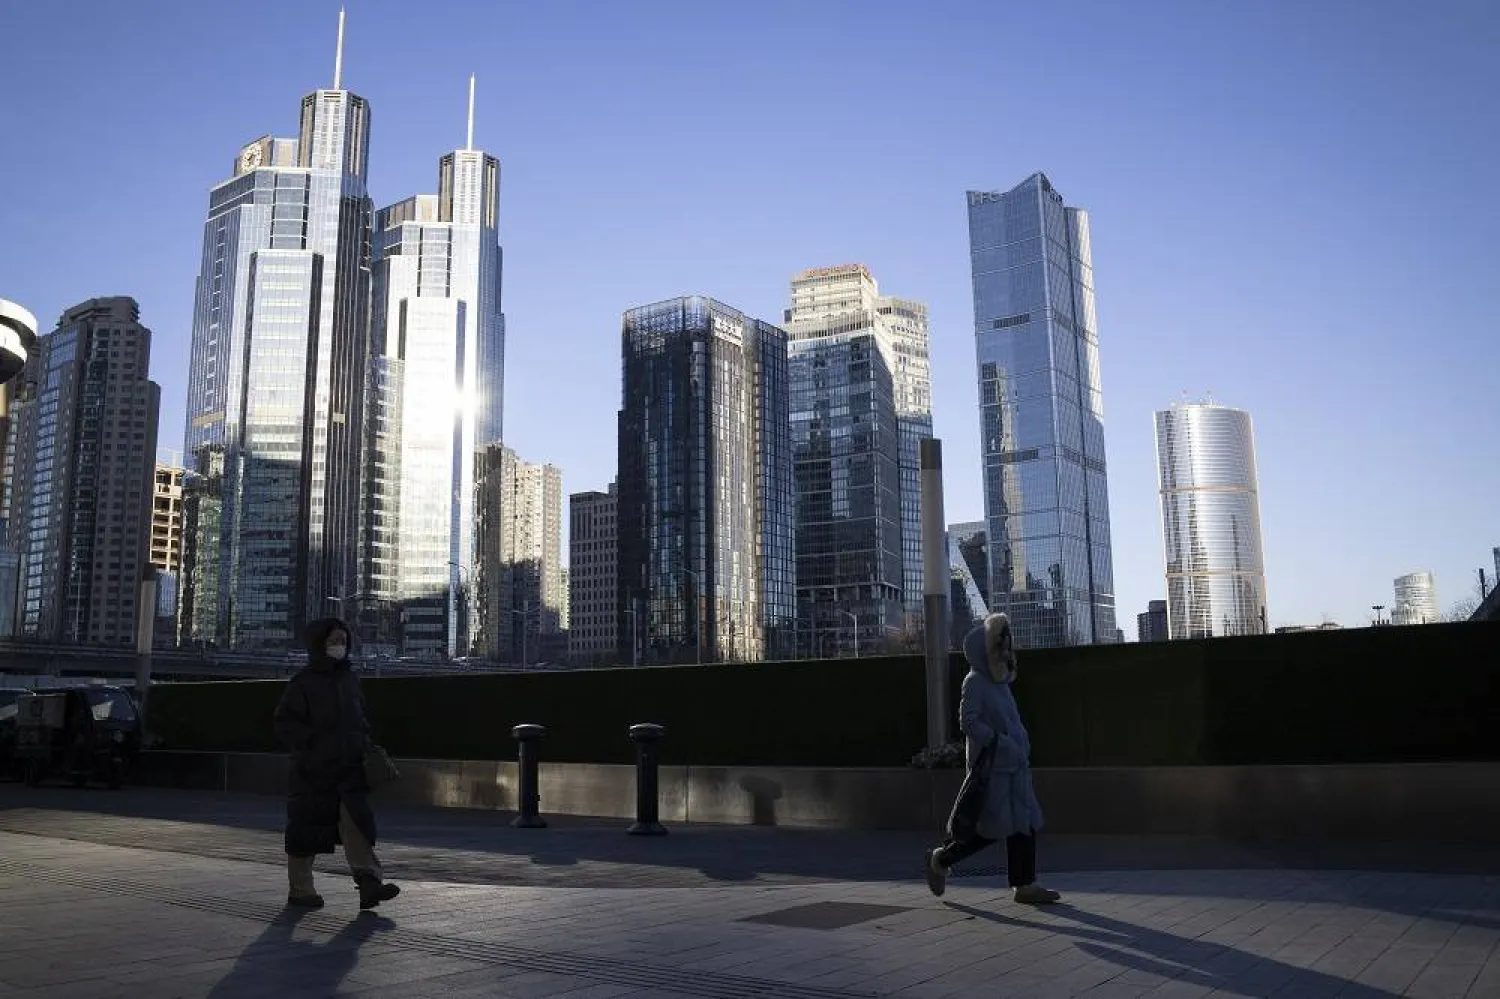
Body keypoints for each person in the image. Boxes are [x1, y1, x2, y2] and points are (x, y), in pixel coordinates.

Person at [926, 612, 1060, 904]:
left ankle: (1025, 884)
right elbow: (968, 722)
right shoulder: (975, 682)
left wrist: (1017, 744)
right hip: (994, 768)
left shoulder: (1000, 682)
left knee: (1023, 823)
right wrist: (1002, 743)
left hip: (1014, 766)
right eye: (1001, 644)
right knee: (986, 830)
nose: (1007, 650)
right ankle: (942, 859)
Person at [273, 617, 400, 910]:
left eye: (343, 641)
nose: (339, 647)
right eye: (333, 642)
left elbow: (360, 719)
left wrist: (364, 743)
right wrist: (313, 745)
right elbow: (284, 723)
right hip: (313, 772)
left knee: (357, 824)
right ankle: (300, 890)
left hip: (349, 768)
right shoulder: (303, 683)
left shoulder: (350, 679)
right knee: (306, 830)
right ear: (319, 644)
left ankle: (369, 883)